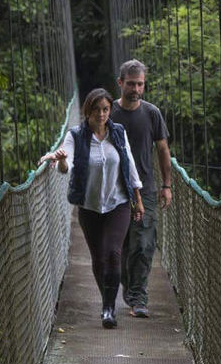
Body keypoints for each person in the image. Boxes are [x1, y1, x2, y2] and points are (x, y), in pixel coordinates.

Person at [39, 88, 144, 329]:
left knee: (113, 253)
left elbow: (130, 166)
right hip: (89, 207)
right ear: (87, 110)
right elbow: (66, 168)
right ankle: (106, 301)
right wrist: (62, 159)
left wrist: (137, 199)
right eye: (96, 109)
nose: (101, 114)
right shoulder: (76, 135)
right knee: (98, 258)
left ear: (110, 111)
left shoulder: (118, 133)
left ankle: (109, 309)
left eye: (105, 109)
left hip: (118, 204)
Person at [110, 59, 172, 319]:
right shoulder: (108, 112)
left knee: (144, 244)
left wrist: (167, 185)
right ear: (120, 83)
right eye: (131, 83)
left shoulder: (151, 113)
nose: (136, 88)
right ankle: (129, 287)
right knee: (121, 246)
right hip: (114, 190)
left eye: (140, 84)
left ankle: (138, 298)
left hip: (145, 188)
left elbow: (163, 149)